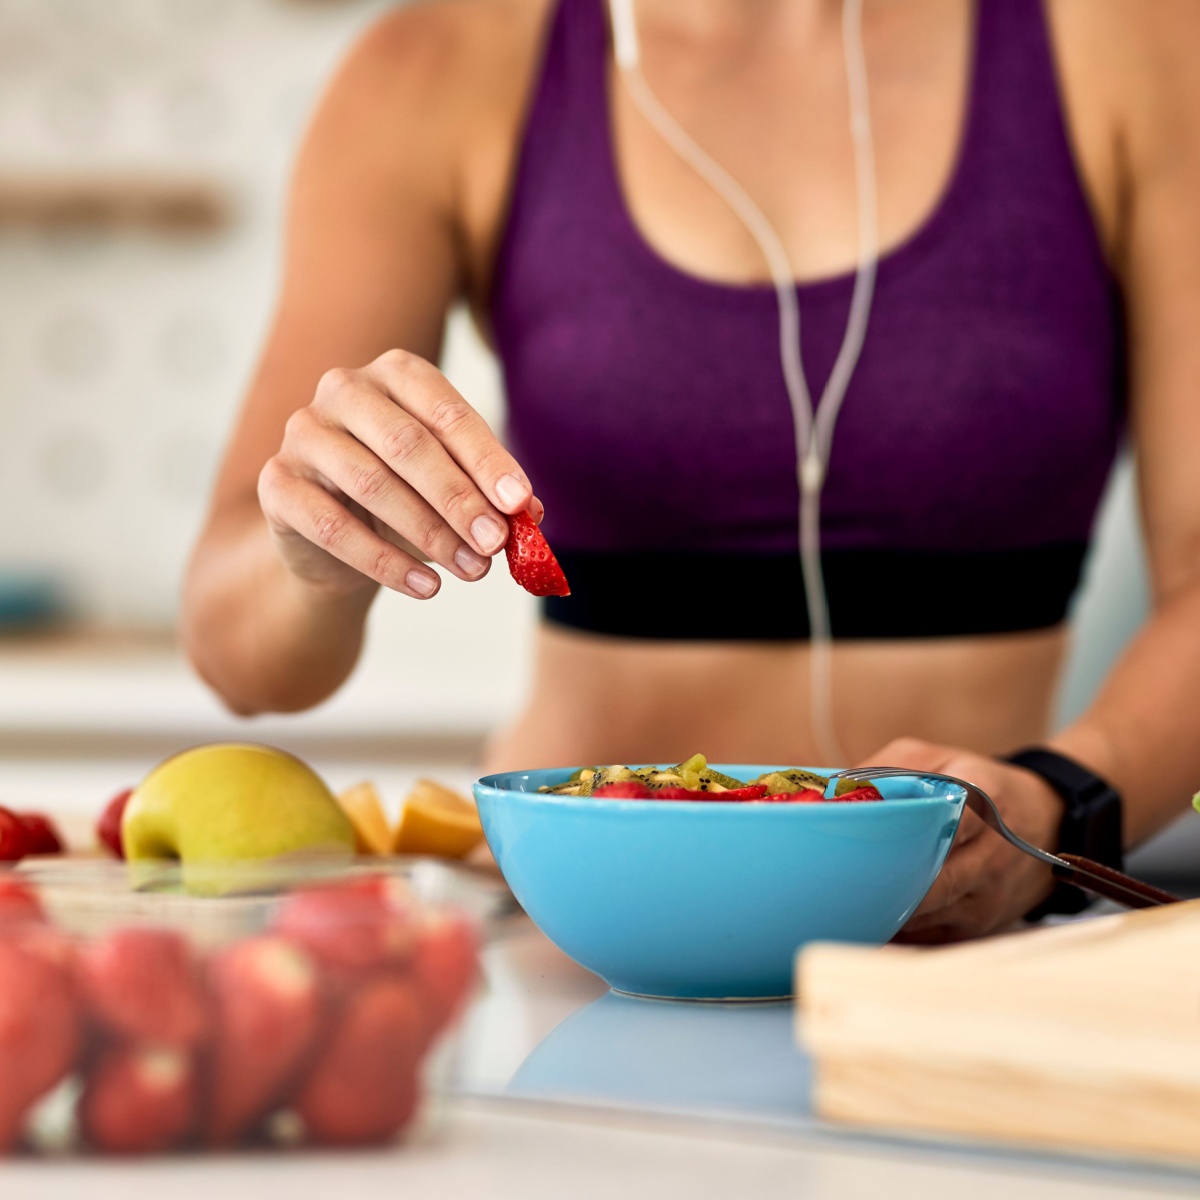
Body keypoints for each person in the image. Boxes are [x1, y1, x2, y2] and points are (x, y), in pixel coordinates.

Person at [182, 0, 1200, 942]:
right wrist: (313, 550)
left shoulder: (1134, 43)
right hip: (573, 941)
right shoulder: (438, 66)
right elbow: (240, 656)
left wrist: (1064, 799)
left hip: (955, 936)